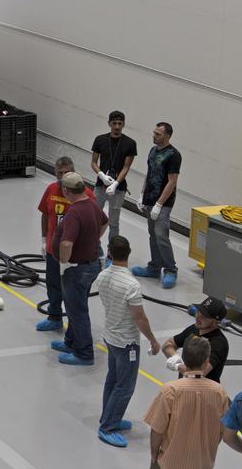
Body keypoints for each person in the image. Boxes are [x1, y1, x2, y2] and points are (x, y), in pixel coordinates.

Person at [142, 336, 229, 469]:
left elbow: (157, 430)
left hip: (169, 464)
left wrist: (154, 454)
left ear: (184, 360)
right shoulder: (219, 393)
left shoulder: (171, 391)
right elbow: (221, 431)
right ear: (206, 361)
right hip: (200, 468)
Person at [92, 235, 161, 447]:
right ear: (129, 252)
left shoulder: (102, 276)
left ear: (110, 253)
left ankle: (109, 416)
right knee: (125, 386)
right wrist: (152, 340)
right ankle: (107, 427)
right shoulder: (131, 285)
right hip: (126, 342)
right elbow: (139, 317)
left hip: (110, 336)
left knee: (112, 379)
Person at [50, 172, 107, 366]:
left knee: (77, 310)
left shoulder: (74, 213)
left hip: (77, 269)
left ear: (66, 190)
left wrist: (65, 263)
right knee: (76, 304)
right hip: (90, 265)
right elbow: (105, 222)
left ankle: (84, 353)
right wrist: (92, 239)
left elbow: (66, 244)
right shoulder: (92, 204)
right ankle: (71, 342)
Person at [133, 122, 183, 289]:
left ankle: (170, 269)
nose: (154, 136)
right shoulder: (153, 151)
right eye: (154, 133)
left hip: (163, 202)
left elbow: (172, 182)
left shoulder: (174, 155)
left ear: (167, 136)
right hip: (149, 199)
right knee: (152, 234)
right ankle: (154, 267)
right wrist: (142, 194)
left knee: (161, 235)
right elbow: (150, 173)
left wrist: (159, 205)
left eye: (158, 134)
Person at [35, 156, 76, 332]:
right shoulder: (51, 190)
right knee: (53, 284)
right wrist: (44, 239)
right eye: (60, 173)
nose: (64, 176)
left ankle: (74, 325)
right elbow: (45, 214)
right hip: (53, 250)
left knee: (72, 290)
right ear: (55, 173)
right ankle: (54, 317)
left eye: (67, 172)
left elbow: (96, 221)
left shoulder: (84, 193)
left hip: (74, 253)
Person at [90, 110, 137, 242]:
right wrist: (101, 175)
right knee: (94, 217)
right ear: (109, 123)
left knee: (114, 222)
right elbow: (93, 162)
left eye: (120, 123)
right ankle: (93, 246)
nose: (117, 126)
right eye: (114, 123)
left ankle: (112, 252)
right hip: (100, 185)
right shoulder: (100, 140)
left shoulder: (130, 143)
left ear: (123, 124)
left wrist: (116, 183)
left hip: (118, 188)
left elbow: (126, 167)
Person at [163, 298, 230, 383]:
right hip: (185, 386)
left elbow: (199, 374)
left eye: (203, 316)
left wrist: (177, 366)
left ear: (215, 322)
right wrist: (174, 356)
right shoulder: (194, 329)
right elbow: (168, 344)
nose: (197, 317)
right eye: (198, 312)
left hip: (204, 392)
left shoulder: (218, 343)